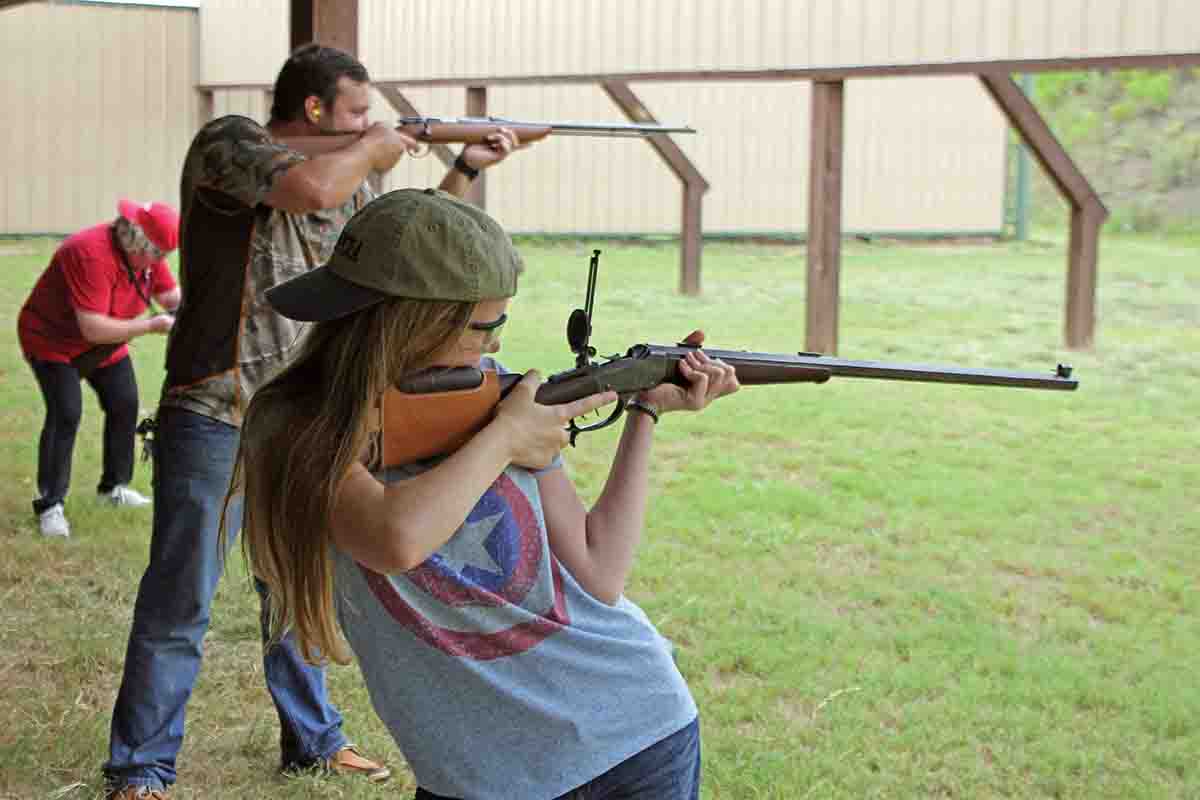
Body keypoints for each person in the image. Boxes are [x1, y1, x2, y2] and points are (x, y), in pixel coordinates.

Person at [103, 44, 526, 799]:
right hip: (216, 407)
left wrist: (463, 167)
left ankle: (313, 740)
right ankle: (141, 768)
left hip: (300, 413)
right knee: (182, 596)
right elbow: (305, 187)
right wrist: (374, 145)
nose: (374, 127)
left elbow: (411, 254)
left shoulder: (350, 176)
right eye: (359, 112)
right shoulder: (231, 143)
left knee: (296, 584)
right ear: (314, 112)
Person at [231, 187, 740, 799]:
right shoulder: (293, 423)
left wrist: (644, 413)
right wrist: (503, 440)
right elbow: (395, 538)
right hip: (478, 777)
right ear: (409, 321)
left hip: (635, 734)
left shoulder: (496, 399)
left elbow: (600, 570)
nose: (496, 345)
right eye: (484, 326)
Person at [17, 200, 181, 538]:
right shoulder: (89, 253)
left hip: (103, 344)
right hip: (53, 341)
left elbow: (171, 297)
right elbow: (92, 326)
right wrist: (150, 327)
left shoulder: (147, 258)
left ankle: (114, 487)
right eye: (160, 254)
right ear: (139, 244)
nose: (162, 262)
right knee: (66, 412)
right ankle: (50, 506)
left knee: (124, 402)